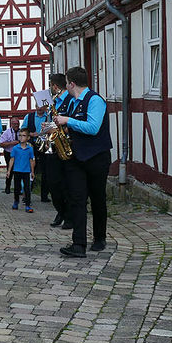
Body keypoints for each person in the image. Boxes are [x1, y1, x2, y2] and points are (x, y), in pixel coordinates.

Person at [53, 66, 113, 258]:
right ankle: (78, 244)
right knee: (77, 200)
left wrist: (67, 121)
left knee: (97, 199)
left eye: (67, 85)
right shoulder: (72, 102)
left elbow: (93, 127)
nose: (66, 89)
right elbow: (71, 126)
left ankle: (99, 238)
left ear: (71, 83)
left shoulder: (95, 100)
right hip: (76, 157)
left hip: (96, 157)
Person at [45, 73, 73, 229]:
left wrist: (54, 129)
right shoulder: (54, 102)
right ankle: (60, 211)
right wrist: (46, 128)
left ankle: (68, 215)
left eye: (51, 85)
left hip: (65, 145)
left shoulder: (69, 101)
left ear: (55, 86)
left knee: (65, 185)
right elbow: (53, 123)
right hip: (54, 147)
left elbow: (69, 124)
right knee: (53, 183)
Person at [22, 102, 51, 202]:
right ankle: (26, 195)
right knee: (29, 169)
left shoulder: (48, 117)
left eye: (41, 106)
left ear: (44, 107)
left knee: (46, 171)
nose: (39, 108)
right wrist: (30, 134)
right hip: (31, 145)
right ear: (35, 107)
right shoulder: (28, 116)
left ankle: (44, 196)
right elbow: (23, 130)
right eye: (38, 106)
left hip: (44, 146)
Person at [7, 128, 35, 212]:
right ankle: (16, 201)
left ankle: (27, 204)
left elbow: (31, 160)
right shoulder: (15, 148)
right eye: (20, 135)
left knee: (27, 188)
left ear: (28, 138)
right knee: (17, 188)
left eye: (24, 136)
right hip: (17, 170)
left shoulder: (30, 149)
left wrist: (32, 171)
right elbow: (12, 159)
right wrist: (9, 170)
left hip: (26, 171)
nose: (21, 137)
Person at [0, 116, 19, 195]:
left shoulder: (21, 132)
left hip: (18, 153)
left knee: (18, 170)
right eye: (14, 124)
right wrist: (12, 143)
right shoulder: (7, 132)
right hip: (9, 153)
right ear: (11, 124)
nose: (16, 125)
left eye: (17, 124)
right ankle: (7, 187)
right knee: (9, 170)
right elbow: (1, 144)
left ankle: (18, 188)